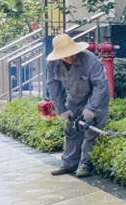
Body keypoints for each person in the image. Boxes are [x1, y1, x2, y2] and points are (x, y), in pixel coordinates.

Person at [46, 33, 110, 178]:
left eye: (71, 54)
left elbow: (100, 86)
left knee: (90, 131)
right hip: (74, 98)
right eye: (66, 56)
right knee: (71, 129)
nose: (70, 58)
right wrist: (61, 110)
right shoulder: (52, 64)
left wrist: (91, 108)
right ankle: (68, 163)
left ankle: (85, 164)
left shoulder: (89, 59)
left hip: (96, 98)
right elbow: (53, 87)